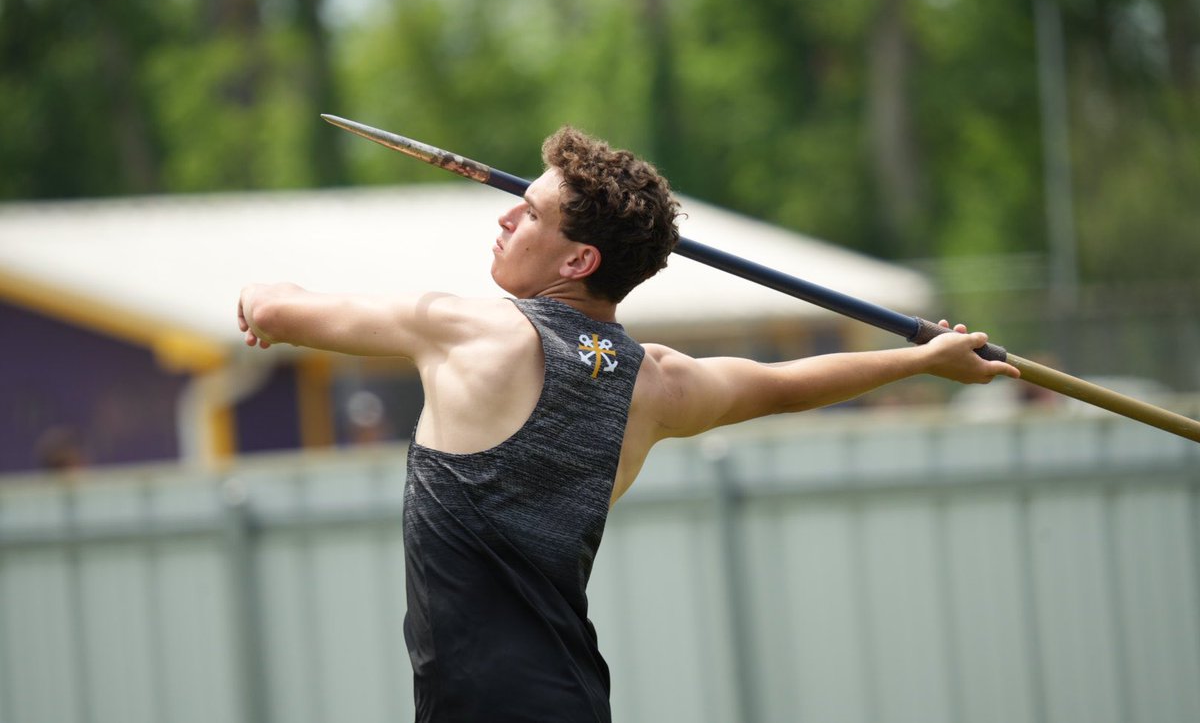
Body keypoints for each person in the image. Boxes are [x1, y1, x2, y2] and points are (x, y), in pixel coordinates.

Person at [237, 127, 1018, 722]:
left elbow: (273, 311)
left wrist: (265, 292)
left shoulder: (471, 331)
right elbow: (782, 386)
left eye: (532, 211)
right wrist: (922, 362)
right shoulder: (659, 383)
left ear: (578, 261)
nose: (508, 217)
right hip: (575, 698)